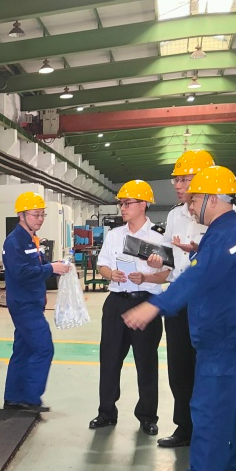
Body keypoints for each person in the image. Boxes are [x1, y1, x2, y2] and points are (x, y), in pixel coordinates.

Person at [123, 166, 236, 471]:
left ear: (212, 199)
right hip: (235, 331)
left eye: (195, 198)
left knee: (209, 408)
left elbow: (195, 278)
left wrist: (155, 306)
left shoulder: (223, 235)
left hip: (221, 336)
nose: (191, 203)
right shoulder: (233, 230)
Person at [147, 149, 236, 448]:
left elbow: (218, 263)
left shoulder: (225, 216)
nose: (178, 185)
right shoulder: (175, 214)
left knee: (208, 370)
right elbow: (167, 252)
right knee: (179, 368)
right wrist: (157, 260)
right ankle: (185, 428)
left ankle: (209, 433)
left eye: (185, 179)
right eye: (176, 179)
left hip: (210, 304)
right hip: (180, 299)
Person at [90, 180, 169, 434]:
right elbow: (102, 265)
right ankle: (106, 413)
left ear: (143, 204)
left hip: (146, 302)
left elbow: (168, 274)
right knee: (109, 359)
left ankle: (147, 416)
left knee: (146, 362)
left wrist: (146, 277)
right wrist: (110, 274)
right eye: (121, 204)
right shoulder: (115, 235)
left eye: (127, 203)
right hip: (116, 302)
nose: (122, 208)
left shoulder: (159, 236)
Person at [2, 191, 68, 413]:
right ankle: (30, 398)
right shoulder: (14, 242)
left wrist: (56, 265)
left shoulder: (32, 240)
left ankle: (13, 398)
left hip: (33, 302)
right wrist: (51, 268)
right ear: (21, 215)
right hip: (24, 305)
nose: (40, 219)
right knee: (43, 348)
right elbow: (21, 272)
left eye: (42, 215)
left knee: (23, 350)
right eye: (35, 215)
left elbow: (37, 266)